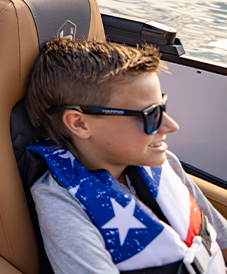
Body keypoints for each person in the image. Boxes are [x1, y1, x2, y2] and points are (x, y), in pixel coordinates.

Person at [25, 39, 227, 273]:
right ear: (79, 124)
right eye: (150, 115)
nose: (171, 126)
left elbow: (221, 243)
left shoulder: (164, 163)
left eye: (163, 107)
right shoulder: (61, 203)